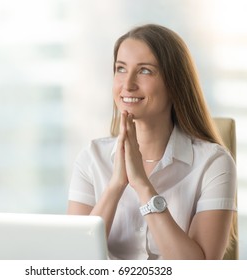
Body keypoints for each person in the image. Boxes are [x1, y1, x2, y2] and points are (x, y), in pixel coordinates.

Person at [67, 24, 237, 260]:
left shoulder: (214, 163)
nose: (127, 85)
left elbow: (200, 271)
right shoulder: (91, 158)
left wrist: (142, 186)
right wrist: (116, 185)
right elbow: (72, 262)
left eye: (145, 71)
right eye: (121, 69)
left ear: (175, 83)